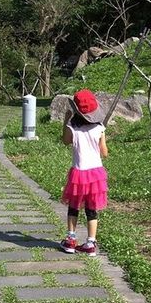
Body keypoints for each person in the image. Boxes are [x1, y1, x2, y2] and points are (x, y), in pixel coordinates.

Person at [59, 89, 109, 257]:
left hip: (79, 173)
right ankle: (90, 243)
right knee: (91, 209)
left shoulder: (72, 127)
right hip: (96, 174)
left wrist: (66, 121)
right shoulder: (100, 127)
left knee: (73, 207)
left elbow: (65, 142)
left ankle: (71, 240)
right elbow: (104, 152)